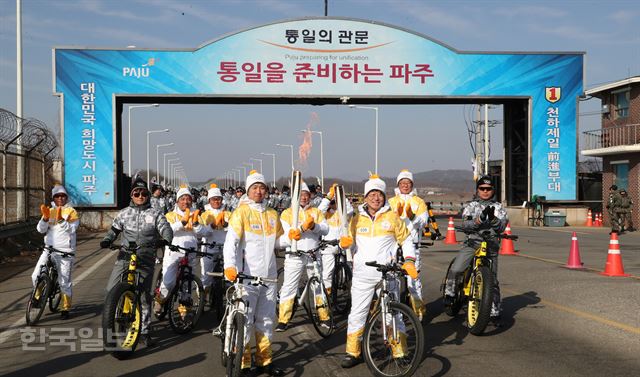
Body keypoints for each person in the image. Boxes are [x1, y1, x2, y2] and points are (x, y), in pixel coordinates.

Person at [340, 174, 418, 368]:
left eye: (380, 195)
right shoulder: (356, 220)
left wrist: (408, 260)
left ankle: (399, 351)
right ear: (365, 197)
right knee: (358, 313)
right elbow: (347, 241)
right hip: (362, 275)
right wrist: (346, 243)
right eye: (372, 194)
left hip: (388, 274)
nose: (376, 198)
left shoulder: (393, 218)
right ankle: (353, 352)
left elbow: (406, 240)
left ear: (384, 197)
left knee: (393, 314)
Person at [223, 170, 285, 376]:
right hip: (246, 277)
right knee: (246, 319)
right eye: (254, 188)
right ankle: (243, 360)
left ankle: (265, 360)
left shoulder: (272, 214)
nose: (259, 191)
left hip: (269, 276)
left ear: (266, 190)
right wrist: (230, 266)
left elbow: (278, 242)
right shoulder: (241, 212)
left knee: (266, 320)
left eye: (262, 187)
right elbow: (231, 242)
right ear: (248, 190)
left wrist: (294, 236)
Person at [101, 177, 172, 346]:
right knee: (111, 289)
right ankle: (115, 315)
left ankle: (145, 330)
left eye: (144, 193)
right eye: (137, 193)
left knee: (143, 296)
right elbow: (114, 230)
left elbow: (166, 229)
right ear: (132, 196)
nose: (140, 196)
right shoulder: (124, 213)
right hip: (125, 255)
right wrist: (107, 240)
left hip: (146, 256)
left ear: (148, 195)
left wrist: (165, 239)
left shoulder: (155, 213)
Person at [443, 175, 507, 324]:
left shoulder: (499, 207)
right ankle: (450, 293)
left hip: (491, 244)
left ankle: (494, 309)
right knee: (457, 268)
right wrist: (479, 220)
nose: (485, 191)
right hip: (473, 242)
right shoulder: (471, 206)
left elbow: (502, 226)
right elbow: (466, 224)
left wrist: (493, 219)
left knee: (492, 279)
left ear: (493, 190)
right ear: (478, 190)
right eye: (482, 188)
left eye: (488, 189)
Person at [276, 181, 329, 331]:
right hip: (295, 255)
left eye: (306, 195)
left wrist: (314, 226)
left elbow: (325, 229)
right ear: (295, 197)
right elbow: (287, 234)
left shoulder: (316, 212)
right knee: (289, 286)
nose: (304, 198)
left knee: (318, 286)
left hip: (314, 254)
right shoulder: (287, 213)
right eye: (301, 195)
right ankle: (283, 319)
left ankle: (324, 316)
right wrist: (300, 228)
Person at [155, 184, 205, 317]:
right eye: (182, 199)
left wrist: (196, 225)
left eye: (188, 198)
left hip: (191, 253)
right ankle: (160, 300)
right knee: (169, 281)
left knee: (188, 284)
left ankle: (184, 309)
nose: (186, 201)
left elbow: (203, 233)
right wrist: (181, 222)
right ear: (177, 201)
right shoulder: (170, 215)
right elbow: (166, 231)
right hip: (173, 251)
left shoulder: (196, 214)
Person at [33, 184, 79, 320]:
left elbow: (72, 229)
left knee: (64, 282)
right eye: (57, 196)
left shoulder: (71, 212)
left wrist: (61, 220)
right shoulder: (50, 211)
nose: (60, 198)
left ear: (66, 197)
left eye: (62, 196)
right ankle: (37, 298)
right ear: (53, 197)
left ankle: (65, 307)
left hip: (65, 252)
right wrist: (45, 219)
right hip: (49, 249)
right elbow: (40, 230)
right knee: (36, 275)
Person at [388, 170, 428, 321]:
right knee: (392, 279)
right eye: (402, 183)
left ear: (412, 184)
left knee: (413, 280)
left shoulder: (418, 202)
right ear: (398, 184)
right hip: (393, 245)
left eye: (408, 183)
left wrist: (412, 216)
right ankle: (393, 312)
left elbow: (424, 222)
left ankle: (418, 311)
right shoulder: (391, 202)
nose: (405, 185)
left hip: (412, 244)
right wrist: (396, 215)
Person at [317, 183, 354, 294]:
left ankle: (343, 293)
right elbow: (318, 211)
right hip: (328, 247)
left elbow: (350, 210)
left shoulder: (342, 213)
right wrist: (329, 197)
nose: (333, 204)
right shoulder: (324, 214)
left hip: (342, 246)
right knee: (327, 273)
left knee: (343, 274)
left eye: (335, 202)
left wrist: (341, 196)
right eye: (332, 202)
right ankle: (327, 296)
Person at [199, 184, 232, 301]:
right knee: (206, 277)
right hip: (209, 247)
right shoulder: (205, 215)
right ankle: (202, 299)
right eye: (214, 199)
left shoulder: (228, 214)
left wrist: (226, 226)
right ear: (209, 200)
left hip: (225, 248)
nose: (216, 201)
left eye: (218, 199)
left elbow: (235, 231)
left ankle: (230, 297)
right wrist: (211, 226)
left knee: (230, 274)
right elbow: (201, 232)